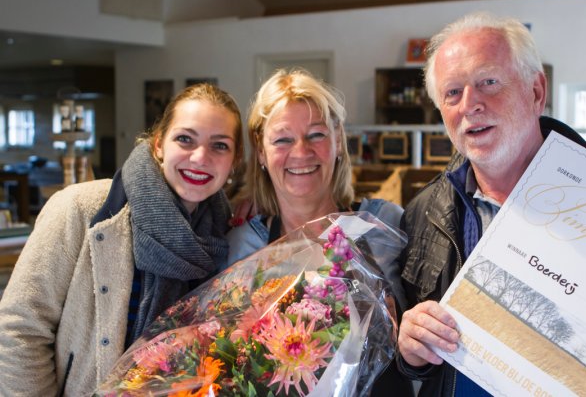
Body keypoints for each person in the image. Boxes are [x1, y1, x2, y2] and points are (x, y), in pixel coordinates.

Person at [395, 11, 586, 396]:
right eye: (453, 92)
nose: (470, 105)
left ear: (536, 91)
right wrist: (412, 350)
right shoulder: (423, 213)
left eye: (488, 82)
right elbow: (416, 366)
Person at [0, 83, 244, 396]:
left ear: (234, 160)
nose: (200, 157)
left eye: (219, 146)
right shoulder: (80, 209)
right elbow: (19, 329)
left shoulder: (225, 236)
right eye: (185, 139)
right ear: (158, 145)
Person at [225, 68, 414, 397]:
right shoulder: (245, 245)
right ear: (261, 152)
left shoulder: (385, 225)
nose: (301, 152)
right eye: (283, 139)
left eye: (316, 135)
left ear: (338, 140)